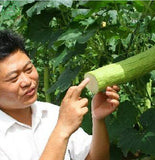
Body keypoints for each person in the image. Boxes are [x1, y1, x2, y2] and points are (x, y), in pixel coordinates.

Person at [0, 30, 120, 160]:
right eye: (13, 78)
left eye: (29, 69)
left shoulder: (51, 113)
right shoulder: (62, 120)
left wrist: (97, 119)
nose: (27, 81)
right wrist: (62, 129)